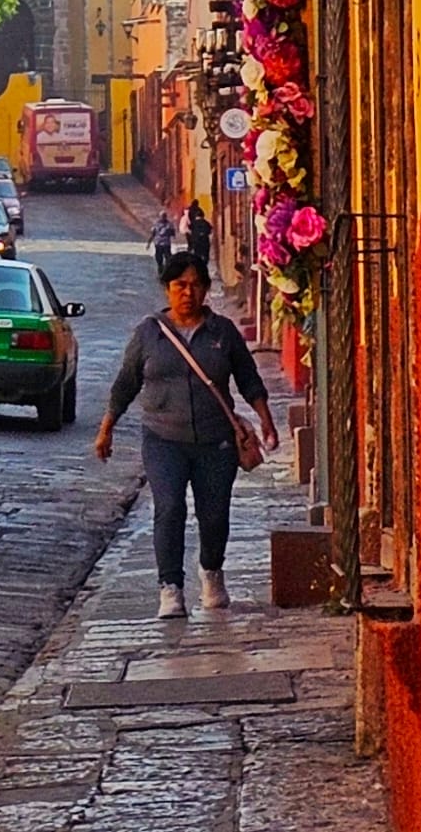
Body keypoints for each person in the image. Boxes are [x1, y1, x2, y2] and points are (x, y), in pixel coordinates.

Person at [95, 251, 279, 617]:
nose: (188, 293)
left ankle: (211, 570)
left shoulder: (222, 333)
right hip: (163, 439)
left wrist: (265, 419)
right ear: (167, 289)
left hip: (217, 441)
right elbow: (125, 383)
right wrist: (107, 429)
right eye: (180, 285)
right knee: (169, 508)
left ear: (207, 289)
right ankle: (171, 587)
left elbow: (247, 379)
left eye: (196, 285)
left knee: (214, 514)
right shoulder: (149, 334)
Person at [185, 201, 214, 273]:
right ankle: (203, 267)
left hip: (196, 242)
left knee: (197, 255)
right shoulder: (205, 222)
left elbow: (190, 229)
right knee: (205, 255)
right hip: (205, 242)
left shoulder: (193, 221)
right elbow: (210, 230)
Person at [150, 210, 178, 276]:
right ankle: (160, 268)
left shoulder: (169, 224)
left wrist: (173, 235)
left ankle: (167, 270)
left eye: (164, 216)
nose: (163, 217)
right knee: (159, 258)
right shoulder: (156, 224)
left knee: (168, 257)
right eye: (162, 216)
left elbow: (172, 232)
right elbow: (153, 233)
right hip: (158, 243)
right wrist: (149, 242)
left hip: (166, 244)